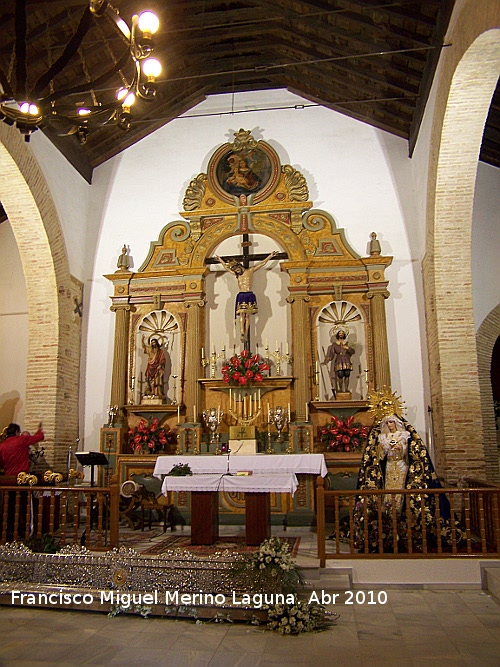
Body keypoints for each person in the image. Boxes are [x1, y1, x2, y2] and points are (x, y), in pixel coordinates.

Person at [215, 251, 279, 347]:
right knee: (242, 314)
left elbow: (262, 263)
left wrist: (270, 256)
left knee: (248, 315)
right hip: (241, 294)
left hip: (249, 294)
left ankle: (246, 331)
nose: (236, 272)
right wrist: (220, 260)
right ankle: (241, 332)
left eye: (237, 270)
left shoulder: (250, 271)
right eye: (235, 271)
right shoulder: (237, 274)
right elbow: (226, 267)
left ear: (240, 267)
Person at [0, 422, 44, 540]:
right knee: (25, 507)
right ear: (17, 432)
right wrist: (40, 430)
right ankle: (25, 532)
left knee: (9, 507)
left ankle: (8, 532)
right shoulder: (21, 440)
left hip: (9, 481)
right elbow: (39, 437)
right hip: (23, 479)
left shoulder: (2, 445)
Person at [324, 328, 354, 395]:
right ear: (337, 334)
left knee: (347, 374)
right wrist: (328, 359)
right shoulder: (334, 345)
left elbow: (352, 351)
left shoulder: (347, 343)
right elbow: (332, 354)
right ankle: (340, 389)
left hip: (346, 359)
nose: (341, 334)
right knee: (340, 375)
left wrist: (347, 348)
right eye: (340, 333)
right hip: (339, 360)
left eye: (342, 333)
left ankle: (346, 389)